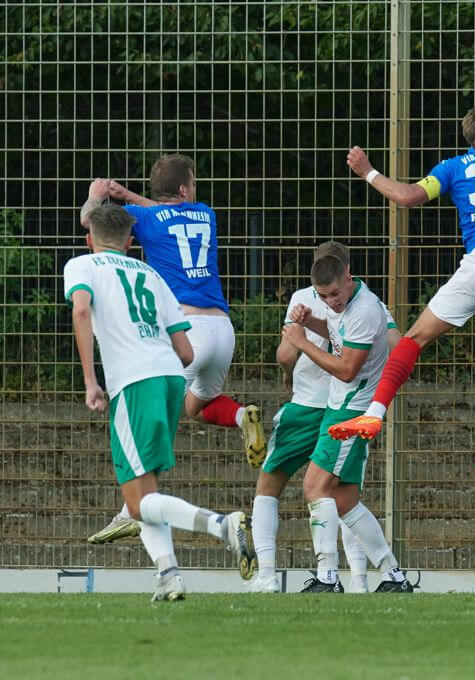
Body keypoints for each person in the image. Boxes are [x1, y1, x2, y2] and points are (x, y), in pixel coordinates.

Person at [331, 102, 475, 478]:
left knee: (415, 337)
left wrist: (367, 171)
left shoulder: (455, 166)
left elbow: (407, 197)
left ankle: (372, 415)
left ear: (472, 140)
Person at [64, 203, 254, 601]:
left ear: (89, 240)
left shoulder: (82, 266)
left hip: (134, 383)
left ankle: (223, 524)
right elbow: (186, 352)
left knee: (136, 501)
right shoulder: (152, 274)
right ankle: (169, 577)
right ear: (132, 243)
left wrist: (89, 380)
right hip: (169, 379)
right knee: (145, 494)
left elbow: (81, 309)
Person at [80, 155, 266, 545]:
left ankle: (132, 508)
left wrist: (102, 194)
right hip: (221, 329)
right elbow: (170, 212)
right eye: (193, 183)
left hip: (185, 328)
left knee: (154, 422)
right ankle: (238, 418)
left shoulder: (143, 221)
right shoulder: (205, 213)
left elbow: (93, 223)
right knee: (195, 406)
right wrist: (129, 193)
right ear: (185, 191)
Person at [248, 241, 401, 594]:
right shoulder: (345, 301)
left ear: (346, 275)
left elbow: (288, 354)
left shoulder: (356, 306)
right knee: (342, 496)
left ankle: (288, 576)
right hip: (336, 404)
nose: (330, 300)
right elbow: (397, 343)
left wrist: (295, 359)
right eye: (324, 294)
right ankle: (377, 578)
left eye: (333, 293)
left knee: (288, 485)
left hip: (322, 404)